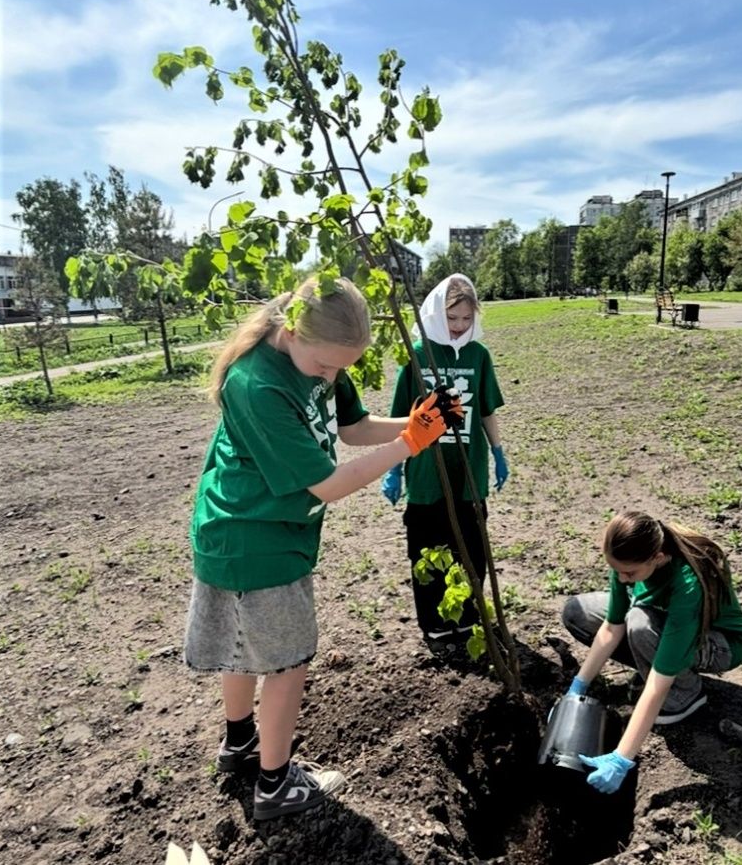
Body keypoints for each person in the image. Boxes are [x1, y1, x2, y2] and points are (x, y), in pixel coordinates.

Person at [184, 277, 456, 822]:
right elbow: (328, 484)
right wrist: (410, 445)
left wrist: (419, 423)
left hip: (263, 531)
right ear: (291, 330)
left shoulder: (318, 359)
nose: (330, 378)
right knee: (286, 664)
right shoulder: (257, 384)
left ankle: (240, 743)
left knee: (244, 646)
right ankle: (275, 784)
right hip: (254, 537)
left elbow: (353, 427)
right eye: (326, 367)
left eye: (340, 369)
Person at [560, 511, 742, 795]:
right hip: (664, 624)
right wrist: (577, 687)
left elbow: (658, 682)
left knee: (639, 623)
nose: (622, 579)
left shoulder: (687, 583)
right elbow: (611, 627)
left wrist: (621, 758)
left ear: (658, 558)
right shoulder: (628, 559)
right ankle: (655, 659)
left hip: (720, 643)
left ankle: (686, 695)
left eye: (629, 574)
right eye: (616, 570)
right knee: (579, 613)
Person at [381, 274, 507, 645]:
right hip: (426, 472)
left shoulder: (479, 355)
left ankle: (467, 619)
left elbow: (486, 409)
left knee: (471, 548)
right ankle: (435, 625)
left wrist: (498, 452)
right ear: (437, 314)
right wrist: (394, 469)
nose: (459, 326)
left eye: (467, 319)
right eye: (452, 318)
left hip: (468, 471)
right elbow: (400, 417)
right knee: (426, 548)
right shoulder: (418, 355)